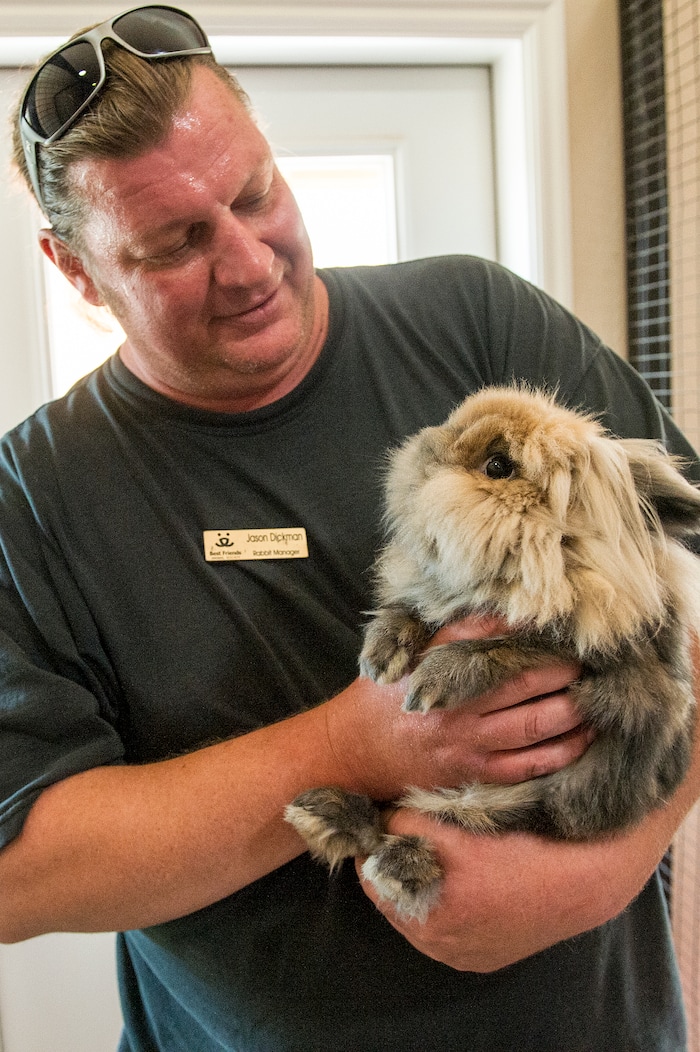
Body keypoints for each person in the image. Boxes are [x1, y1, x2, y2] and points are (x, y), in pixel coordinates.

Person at [2, 7, 699, 1050]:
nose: (247, 264)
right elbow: (19, 870)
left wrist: (598, 867)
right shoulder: (34, 495)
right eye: (175, 244)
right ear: (75, 269)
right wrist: (357, 743)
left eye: (255, 194)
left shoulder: (478, 322)